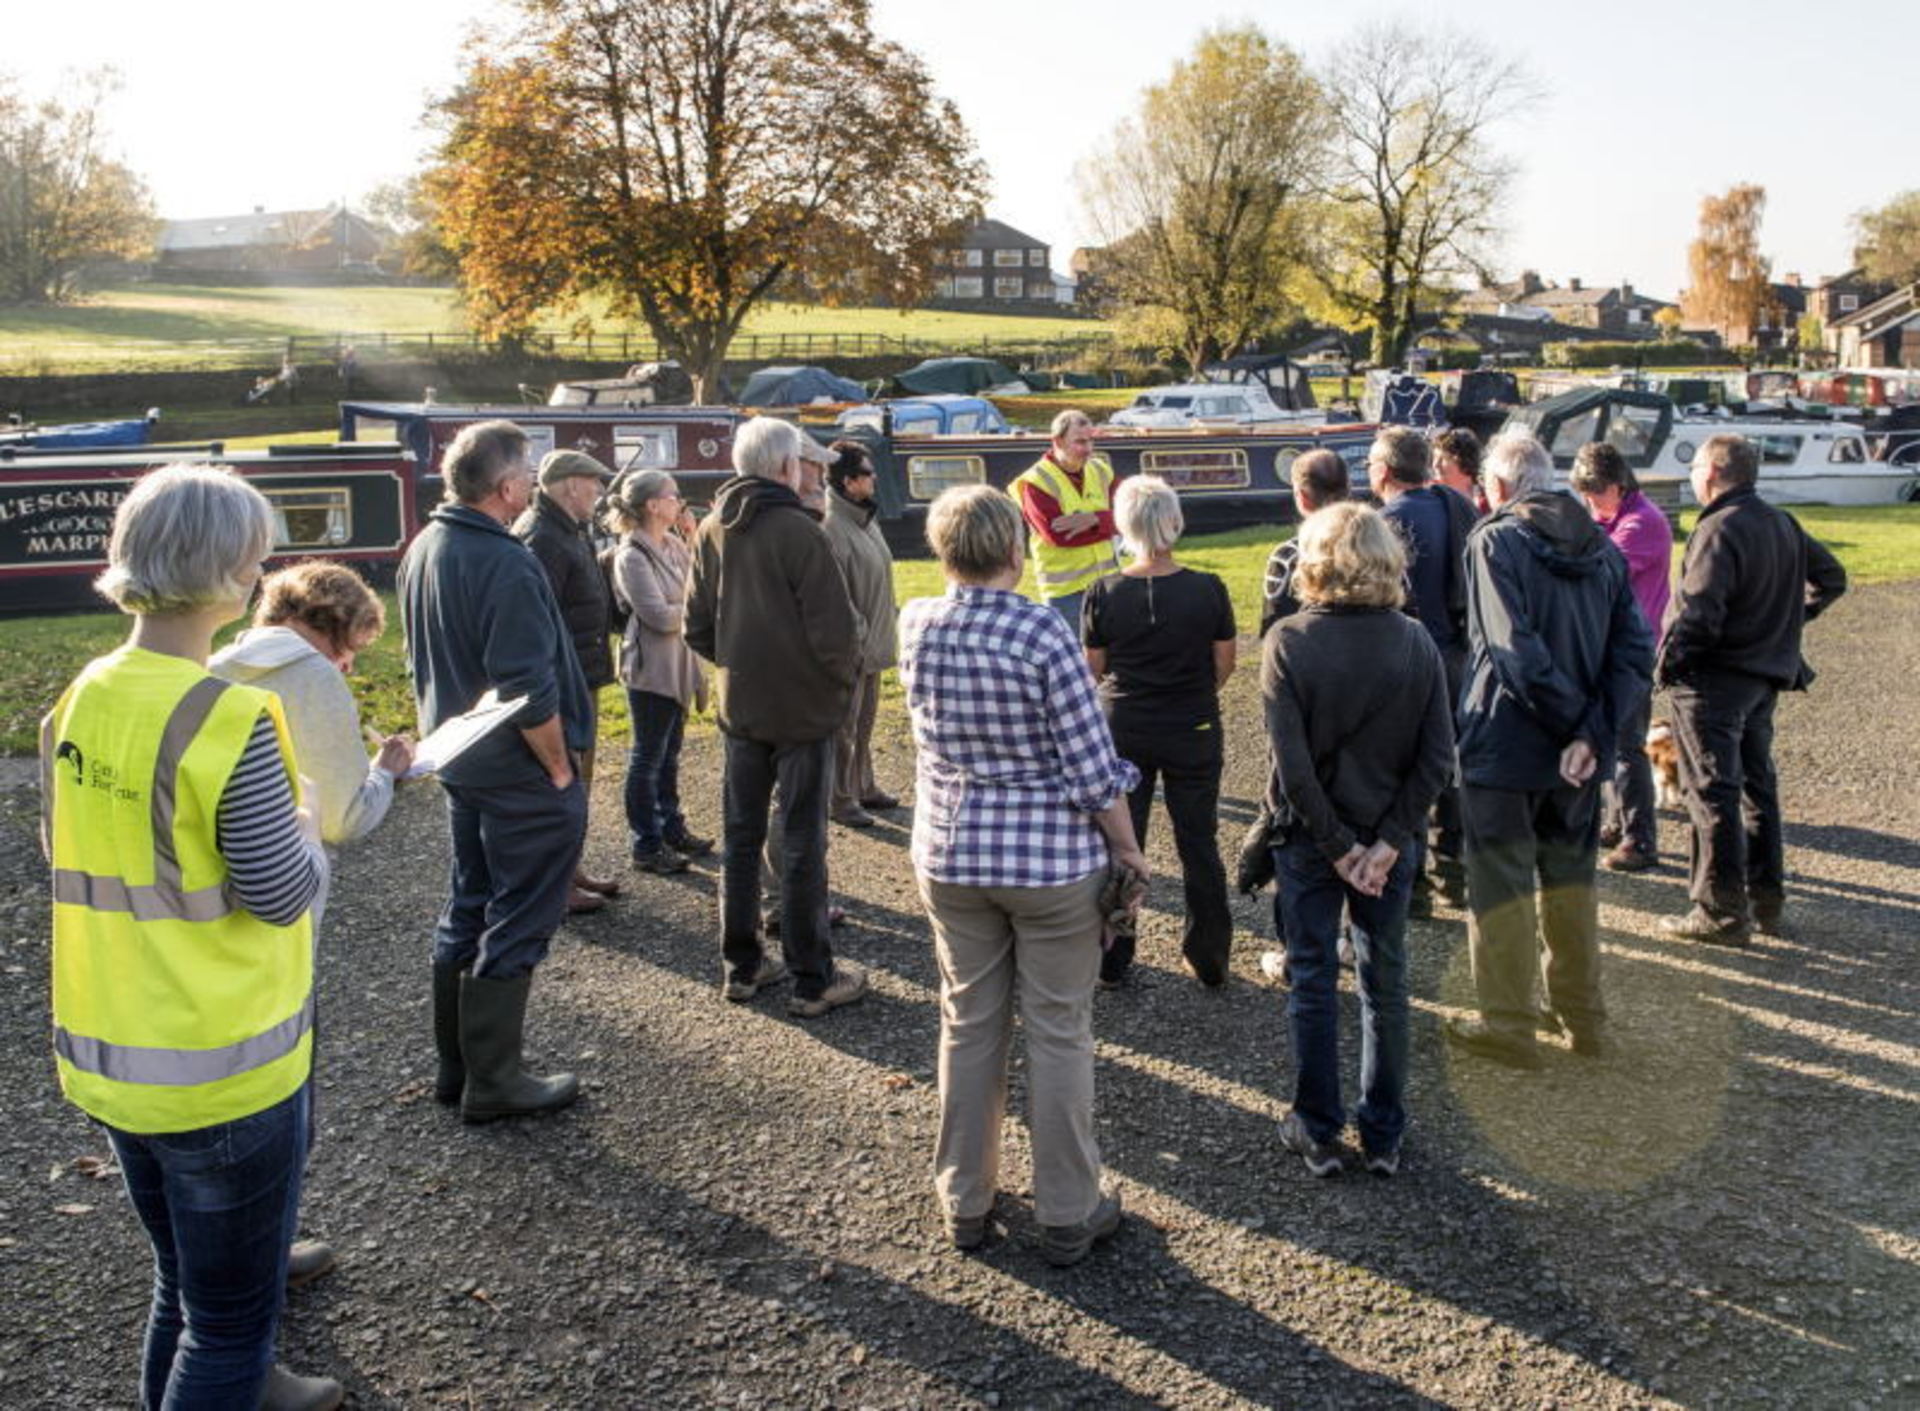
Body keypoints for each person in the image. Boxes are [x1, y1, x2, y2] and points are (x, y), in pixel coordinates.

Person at [43, 464, 339, 1410]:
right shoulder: (230, 718)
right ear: (228, 573)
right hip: (223, 1068)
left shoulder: (83, 692)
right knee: (227, 1327)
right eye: (254, 559)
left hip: (112, 1054)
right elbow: (281, 894)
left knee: (184, 1285)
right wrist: (304, 820)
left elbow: (72, 843)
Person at [898, 484, 1147, 1266]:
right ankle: (1070, 1209)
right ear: (1015, 549)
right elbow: (1091, 770)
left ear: (945, 551)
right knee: (1058, 1031)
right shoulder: (1043, 632)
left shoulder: (917, 622)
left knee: (969, 1023)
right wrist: (1130, 851)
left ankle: (963, 1197)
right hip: (1048, 863)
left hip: (951, 850)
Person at [398, 419, 589, 1122]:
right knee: (518, 913)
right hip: (515, 771)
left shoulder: (425, 545)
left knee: (468, 904)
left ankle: (459, 1067)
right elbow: (527, 688)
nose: (533, 482)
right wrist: (561, 770)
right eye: (528, 472)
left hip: (460, 760)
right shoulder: (504, 561)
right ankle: (496, 1078)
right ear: (507, 486)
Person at [1445, 431, 1653, 1069]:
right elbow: (1634, 652)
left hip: (1507, 743)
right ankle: (1582, 1017)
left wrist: (1577, 730)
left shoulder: (1493, 540)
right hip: (1578, 754)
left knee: (1502, 887)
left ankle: (1509, 1024)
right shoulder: (1602, 546)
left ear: (1498, 488)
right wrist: (1592, 733)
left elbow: (1513, 652)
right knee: (1570, 883)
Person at [1264, 502, 1453, 1178]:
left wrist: (1339, 846)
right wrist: (1387, 841)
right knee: (1386, 982)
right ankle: (1384, 1132)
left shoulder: (1288, 639)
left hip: (1314, 840)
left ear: (1313, 562)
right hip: (1388, 843)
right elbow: (1437, 757)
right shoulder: (1415, 640)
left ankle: (1317, 1128)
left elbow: (1292, 767)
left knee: (1312, 978)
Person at [685, 416, 867, 1017]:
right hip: (802, 711)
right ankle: (813, 978)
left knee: (741, 839)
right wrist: (834, 690)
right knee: (801, 841)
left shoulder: (711, 528)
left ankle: (742, 965)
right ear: (787, 467)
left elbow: (697, 625)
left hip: (741, 707)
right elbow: (837, 633)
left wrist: (739, 667)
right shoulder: (799, 531)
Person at [1656, 433, 1847, 946]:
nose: (1693, 476)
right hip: (1764, 674)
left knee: (1711, 790)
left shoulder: (1720, 527)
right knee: (1756, 787)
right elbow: (1832, 578)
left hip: (1716, 675)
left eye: (1695, 467)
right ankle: (1767, 897)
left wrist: (1668, 667)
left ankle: (1719, 910)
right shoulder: (1780, 521)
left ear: (1713, 472)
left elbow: (1698, 613)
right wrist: (1788, 621)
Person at [1083, 475, 1236, 987]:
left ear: (1123, 525)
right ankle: (1210, 955)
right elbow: (1224, 662)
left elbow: (1094, 667)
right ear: (1175, 523)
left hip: (1125, 722)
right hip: (1192, 721)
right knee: (1199, 840)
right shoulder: (1208, 588)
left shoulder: (1103, 592)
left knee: (1125, 843)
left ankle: (1114, 955)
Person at [211, 560, 414, 852]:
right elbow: (343, 820)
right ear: (341, 625)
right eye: (353, 649)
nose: (348, 667)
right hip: (280, 866)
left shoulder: (216, 665)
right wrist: (384, 770)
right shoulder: (315, 676)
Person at [1369, 425, 1478, 911]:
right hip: (1457, 655)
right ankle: (1453, 870)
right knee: (1449, 765)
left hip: (1407, 660)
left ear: (1385, 470)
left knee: (1405, 770)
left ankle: (1411, 884)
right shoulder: (1458, 509)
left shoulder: (1383, 525)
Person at [514, 448, 622, 913]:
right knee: (562, 783)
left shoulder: (564, 531)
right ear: (570, 485)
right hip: (562, 682)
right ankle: (556, 884)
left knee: (579, 781)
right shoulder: (543, 537)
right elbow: (538, 621)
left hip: (581, 675)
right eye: (593, 484)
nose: (599, 494)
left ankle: (570, 868)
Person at [1569, 442, 1675, 873]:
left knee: (1629, 745)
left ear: (1615, 486)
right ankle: (1614, 822)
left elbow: (1598, 570)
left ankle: (1640, 838)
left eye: (1594, 494)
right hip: (1609, 645)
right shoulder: (1612, 516)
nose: (1588, 504)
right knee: (1609, 740)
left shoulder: (1641, 524)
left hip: (1632, 649)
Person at [606, 467, 712, 874]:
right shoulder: (631, 555)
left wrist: (692, 535)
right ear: (652, 505)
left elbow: (699, 585)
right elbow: (659, 616)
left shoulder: (671, 544)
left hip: (679, 665)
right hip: (651, 669)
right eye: (673, 496)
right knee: (647, 757)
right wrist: (696, 611)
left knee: (670, 756)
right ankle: (645, 844)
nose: (679, 501)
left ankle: (672, 828)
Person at [822, 439, 901, 828]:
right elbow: (834, 594)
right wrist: (860, 633)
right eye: (868, 473)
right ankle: (840, 797)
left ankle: (864, 785)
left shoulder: (865, 519)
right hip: (852, 647)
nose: (875, 480)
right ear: (849, 481)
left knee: (865, 722)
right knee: (844, 727)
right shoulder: (831, 525)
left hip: (875, 643)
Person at [1010, 409, 1120, 625]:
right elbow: (1058, 536)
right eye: (1080, 442)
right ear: (1057, 441)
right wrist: (1109, 522)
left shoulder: (1099, 469)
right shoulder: (1036, 482)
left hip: (1108, 583)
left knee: (1113, 652)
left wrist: (1095, 519)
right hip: (1066, 593)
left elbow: (1130, 514)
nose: (1088, 450)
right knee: (1074, 655)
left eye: (1091, 441)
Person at [1260, 449, 1353, 636]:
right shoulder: (1379, 546)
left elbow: (1274, 630)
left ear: (1301, 497)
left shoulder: (1287, 557)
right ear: (1348, 489)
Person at [1433, 427, 1488, 515]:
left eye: (1443, 459)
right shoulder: (1429, 497)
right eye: (1435, 458)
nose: (1435, 465)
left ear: (1464, 461)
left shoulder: (1488, 500)